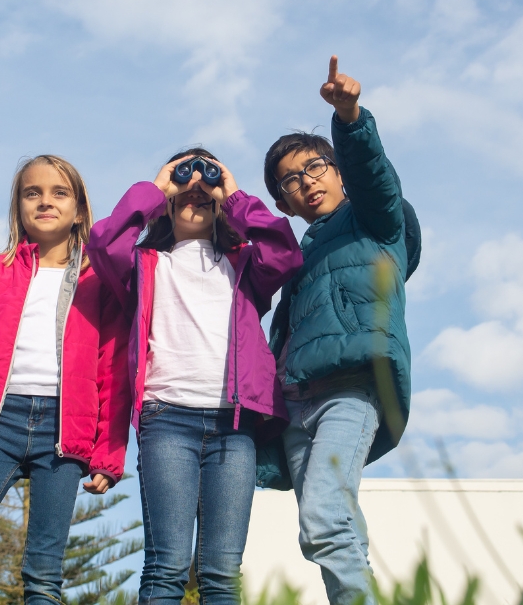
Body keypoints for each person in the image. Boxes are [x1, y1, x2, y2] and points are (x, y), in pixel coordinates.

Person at [87, 150, 302, 604]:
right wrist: (156, 188)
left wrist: (236, 195)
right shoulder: (145, 264)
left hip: (234, 425)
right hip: (167, 418)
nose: (196, 190)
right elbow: (105, 243)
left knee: (222, 571)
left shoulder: (244, 265)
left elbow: (284, 252)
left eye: (208, 181)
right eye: (184, 180)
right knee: (166, 564)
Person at [0, 155, 131, 604]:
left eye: (59, 193)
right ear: (18, 206)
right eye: (32, 193)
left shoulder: (100, 281)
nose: (45, 201)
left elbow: (114, 370)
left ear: (79, 208)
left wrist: (107, 455)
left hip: (64, 430)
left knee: (43, 574)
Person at [262, 57, 418, 605]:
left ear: (337, 170)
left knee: (324, 518)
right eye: (291, 180)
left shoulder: (375, 220)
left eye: (315, 168)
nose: (307, 183)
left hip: (350, 392)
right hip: (296, 408)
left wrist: (349, 118)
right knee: (336, 527)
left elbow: (375, 177)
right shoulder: (296, 260)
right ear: (283, 202)